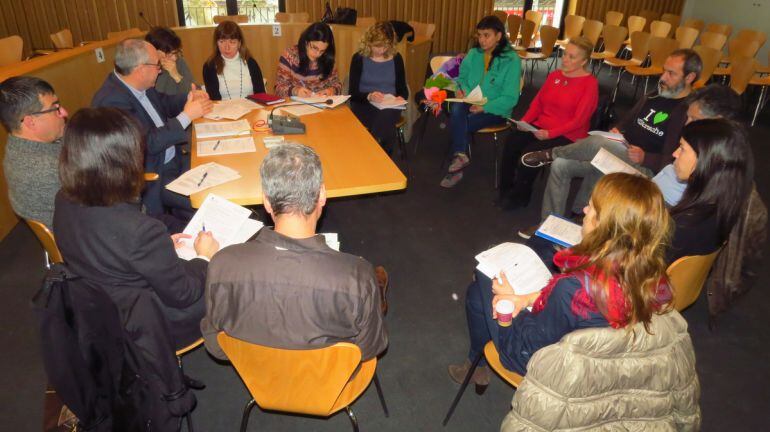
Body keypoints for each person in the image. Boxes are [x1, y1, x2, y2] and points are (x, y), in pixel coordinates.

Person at [448, 173, 673, 387]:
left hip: (540, 361)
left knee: (485, 277)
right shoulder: (653, 275)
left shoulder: (573, 289)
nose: (584, 209)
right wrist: (524, 298)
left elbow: (529, 349)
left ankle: (475, 362)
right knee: (487, 288)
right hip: (604, 361)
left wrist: (507, 299)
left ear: (604, 227)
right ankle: (475, 363)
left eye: (592, 207)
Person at [201, 143, 387, 361]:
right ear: (322, 196)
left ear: (267, 202)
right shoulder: (357, 275)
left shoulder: (222, 262)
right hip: (326, 378)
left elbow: (216, 345)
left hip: (259, 377)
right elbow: (370, 349)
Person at [53, 107, 220, 349]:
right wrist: (205, 257)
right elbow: (184, 294)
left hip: (102, 307)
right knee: (229, 273)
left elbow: (113, 244)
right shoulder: (140, 230)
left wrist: (159, 250)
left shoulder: (64, 198)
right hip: (152, 322)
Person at [518, 49, 701, 237]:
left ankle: (551, 154)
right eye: (664, 70)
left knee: (598, 143)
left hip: (644, 170)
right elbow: (626, 120)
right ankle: (549, 224)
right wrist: (617, 130)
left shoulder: (689, 113)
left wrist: (646, 158)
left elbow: (675, 161)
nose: (663, 77)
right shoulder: (656, 94)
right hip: (620, 152)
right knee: (561, 165)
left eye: (671, 73)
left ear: (690, 77)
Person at [92, 38, 213, 218]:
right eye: (157, 65)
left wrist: (190, 98)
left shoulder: (140, 85)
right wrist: (187, 115)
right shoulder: (111, 102)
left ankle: (186, 217)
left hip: (175, 159)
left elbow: (164, 103)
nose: (160, 70)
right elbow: (146, 143)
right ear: (141, 70)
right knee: (210, 200)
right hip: (155, 175)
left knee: (217, 169)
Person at [498, 36, 598, 208]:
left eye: (572, 57)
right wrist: (524, 122)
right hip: (541, 127)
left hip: (567, 135)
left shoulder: (589, 84)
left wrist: (549, 134)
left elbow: (579, 121)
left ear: (584, 61)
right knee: (512, 141)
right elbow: (537, 103)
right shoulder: (554, 76)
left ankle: (520, 197)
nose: (565, 59)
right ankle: (505, 190)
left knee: (528, 155)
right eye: (565, 54)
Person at [440, 15, 521, 188]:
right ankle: (460, 156)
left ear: (498, 36)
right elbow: (461, 78)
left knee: (460, 122)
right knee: (457, 110)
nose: (481, 40)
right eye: (479, 35)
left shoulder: (511, 60)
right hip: (470, 100)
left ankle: (455, 168)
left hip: (496, 109)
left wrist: (485, 107)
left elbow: (510, 98)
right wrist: (461, 90)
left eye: (486, 35)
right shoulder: (474, 54)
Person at [666, 118, 754, 263]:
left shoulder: (684, 227)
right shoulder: (726, 203)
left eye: (682, 148)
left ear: (706, 160)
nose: (674, 153)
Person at [0, 77, 68, 228]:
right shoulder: (48, 170)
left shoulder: (15, 147)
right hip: (79, 237)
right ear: (31, 122)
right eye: (55, 108)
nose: (63, 112)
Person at [348, 21, 409, 154]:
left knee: (385, 117)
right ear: (368, 42)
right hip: (364, 104)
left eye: (385, 46)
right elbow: (353, 93)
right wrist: (369, 95)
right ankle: (383, 157)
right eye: (377, 46)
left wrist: (401, 97)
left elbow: (403, 89)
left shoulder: (396, 59)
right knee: (384, 125)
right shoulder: (359, 58)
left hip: (389, 106)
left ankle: (372, 154)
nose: (381, 50)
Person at [274, 22, 342, 97]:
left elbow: (337, 85)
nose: (317, 54)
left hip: (322, 105)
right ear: (306, 42)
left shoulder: (327, 57)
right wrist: (295, 91)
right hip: (296, 105)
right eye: (315, 48)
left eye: (322, 51)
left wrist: (332, 91)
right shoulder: (289, 56)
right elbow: (278, 89)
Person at [202, 20, 265, 100]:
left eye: (232, 42)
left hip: (251, 110)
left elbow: (261, 95)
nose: (227, 47)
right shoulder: (209, 67)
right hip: (223, 111)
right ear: (216, 43)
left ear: (239, 43)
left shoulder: (251, 63)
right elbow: (214, 100)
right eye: (222, 42)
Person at [145, 26, 195, 95]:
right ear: (155, 52)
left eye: (176, 52)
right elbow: (156, 99)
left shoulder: (179, 61)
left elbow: (196, 92)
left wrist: (177, 77)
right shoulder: (146, 69)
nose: (174, 58)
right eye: (170, 54)